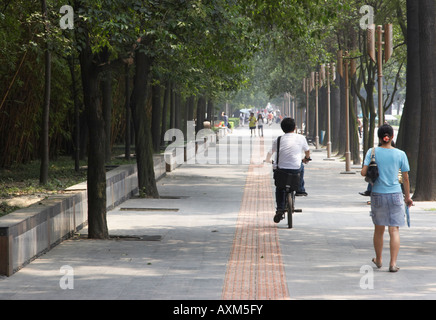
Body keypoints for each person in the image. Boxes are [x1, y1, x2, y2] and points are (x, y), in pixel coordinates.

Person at [361, 124, 413, 273]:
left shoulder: (372, 152)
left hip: (377, 194)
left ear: (379, 137)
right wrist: (407, 197)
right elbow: (406, 178)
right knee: (394, 230)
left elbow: (363, 173)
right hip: (396, 195)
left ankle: (378, 260)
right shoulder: (400, 154)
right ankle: (393, 263)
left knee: (379, 230)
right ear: (391, 137)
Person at [265, 117, 311, 223]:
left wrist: (268, 160)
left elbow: (269, 153)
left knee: (279, 188)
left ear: (282, 128)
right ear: (294, 128)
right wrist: (306, 159)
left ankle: (280, 209)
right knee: (301, 166)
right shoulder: (300, 138)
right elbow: (307, 151)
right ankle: (300, 189)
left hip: (281, 170)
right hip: (295, 169)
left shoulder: (278, 139)